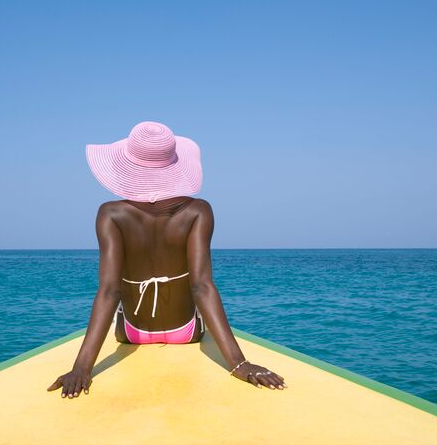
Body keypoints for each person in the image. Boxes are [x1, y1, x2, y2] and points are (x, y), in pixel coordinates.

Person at [47, 121, 286, 398]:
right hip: (186, 332)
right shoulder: (198, 211)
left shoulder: (110, 214)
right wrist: (239, 364)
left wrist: (81, 369)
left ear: (127, 168)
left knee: (119, 302)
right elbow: (202, 286)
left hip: (131, 332)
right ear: (174, 167)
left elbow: (109, 291)